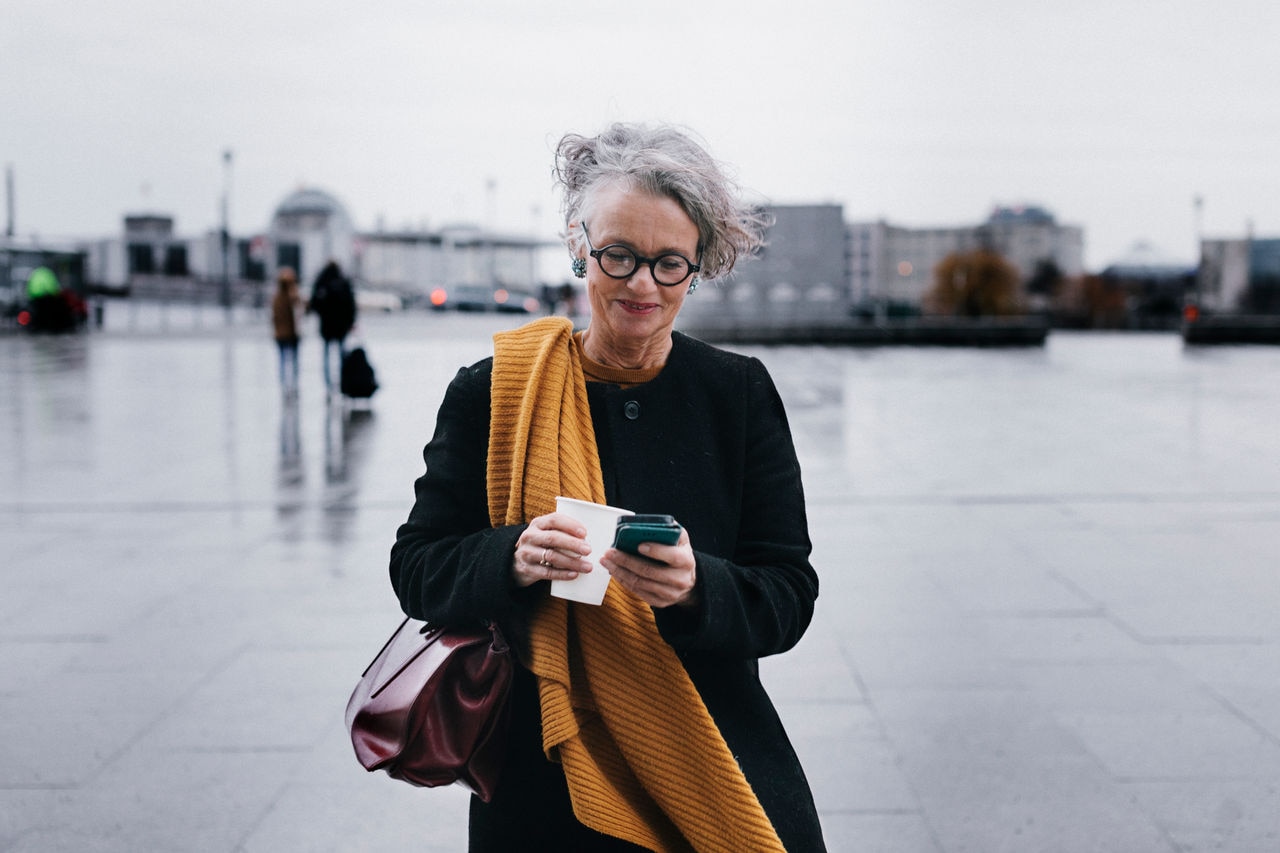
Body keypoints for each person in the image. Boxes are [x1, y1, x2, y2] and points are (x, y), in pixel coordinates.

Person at [389, 123, 826, 852]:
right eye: (618, 255)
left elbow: (788, 593)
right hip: (541, 785)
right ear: (578, 244)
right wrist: (512, 556)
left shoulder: (738, 394)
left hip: (709, 760)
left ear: (700, 264)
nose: (641, 283)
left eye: (669, 263)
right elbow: (416, 568)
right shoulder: (494, 390)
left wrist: (697, 587)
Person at [306, 260, 356, 392]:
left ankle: (328, 384)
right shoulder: (343, 282)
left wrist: (323, 312)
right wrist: (351, 322)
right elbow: (351, 305)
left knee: (326, 356)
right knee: (341, 355)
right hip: (341, 326)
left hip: (327, 326)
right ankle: (341, 381)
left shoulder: (322, 282)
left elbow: (314, 303)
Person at [271, 267, 303, 395]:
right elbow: (299, 313)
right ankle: (293, 383)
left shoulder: (277, 298)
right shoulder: (293, 296)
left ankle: (284, 384)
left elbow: (274, 317)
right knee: (293, 360)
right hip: (292, 334)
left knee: (283, 360)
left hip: (280, 334)